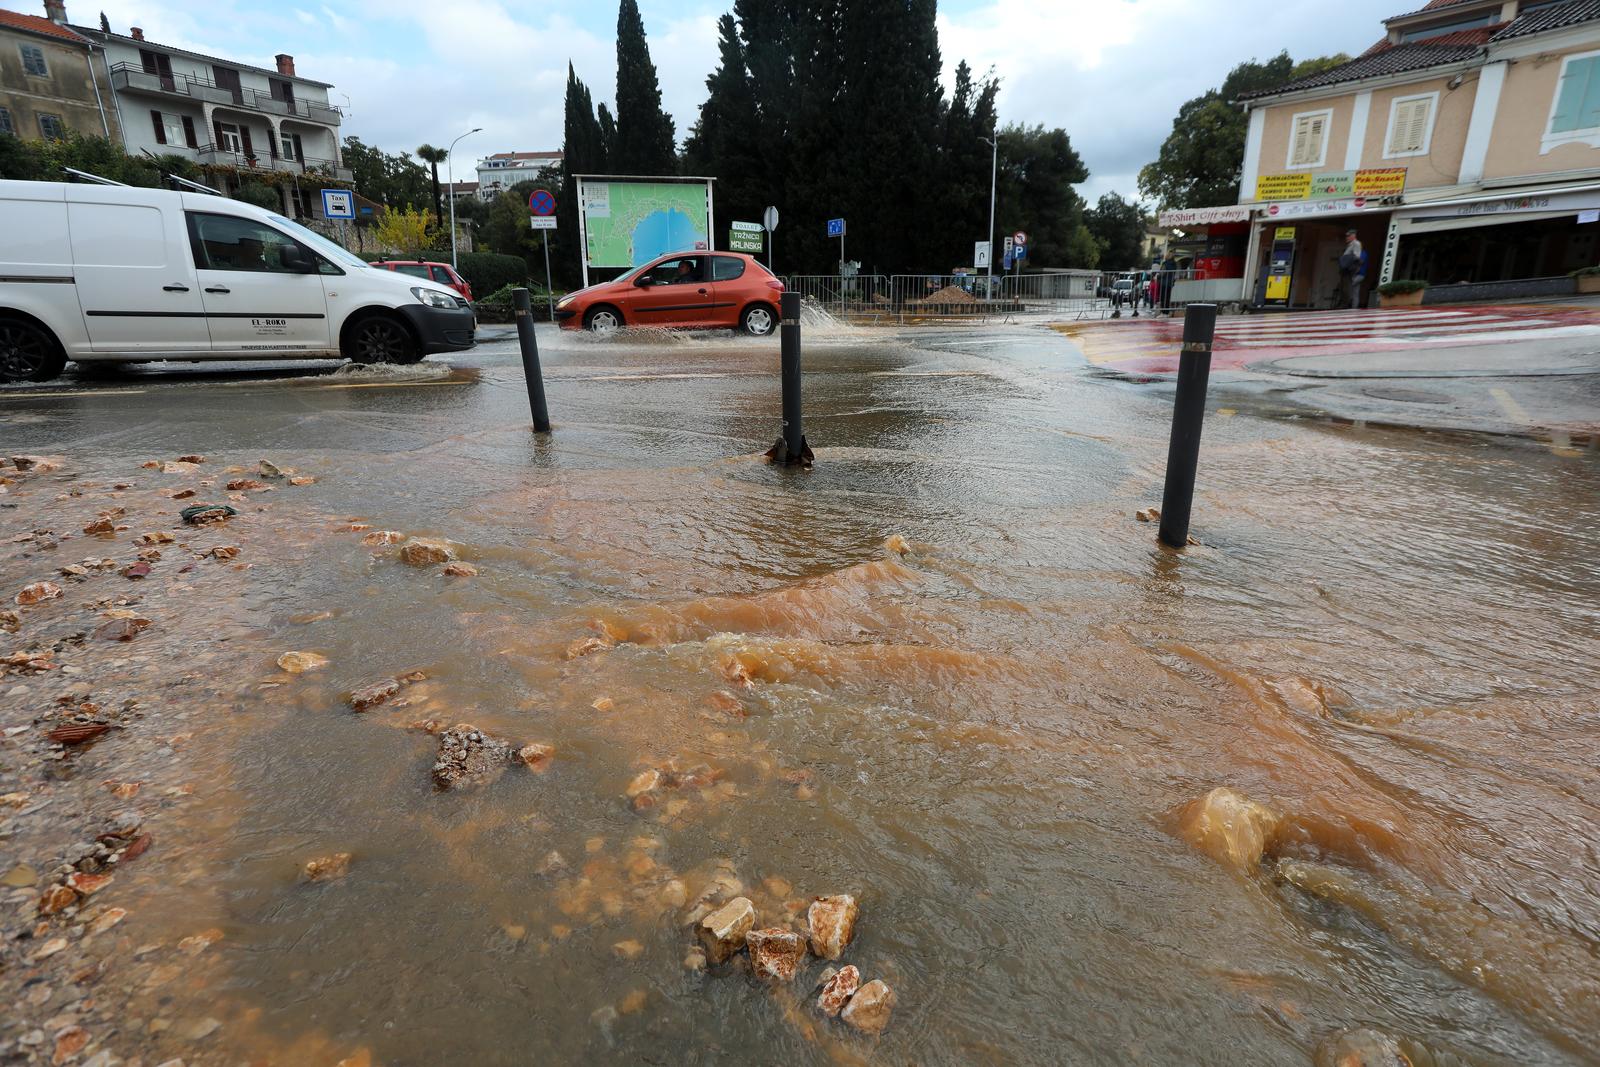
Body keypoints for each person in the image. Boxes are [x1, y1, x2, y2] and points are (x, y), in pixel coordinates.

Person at [1339, 229, 1365, 309]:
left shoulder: (1356, 243)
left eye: (1349, 236)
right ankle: (1345, 304)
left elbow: (1356, 256)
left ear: (1353, 236)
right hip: (1346, 269)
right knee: (1344, 287)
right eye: (1347, 236)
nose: (1347, 237)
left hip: (1349, 269)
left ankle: (1345, 305)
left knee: (1347, 287)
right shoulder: (1351, 244)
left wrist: (1349, 264)